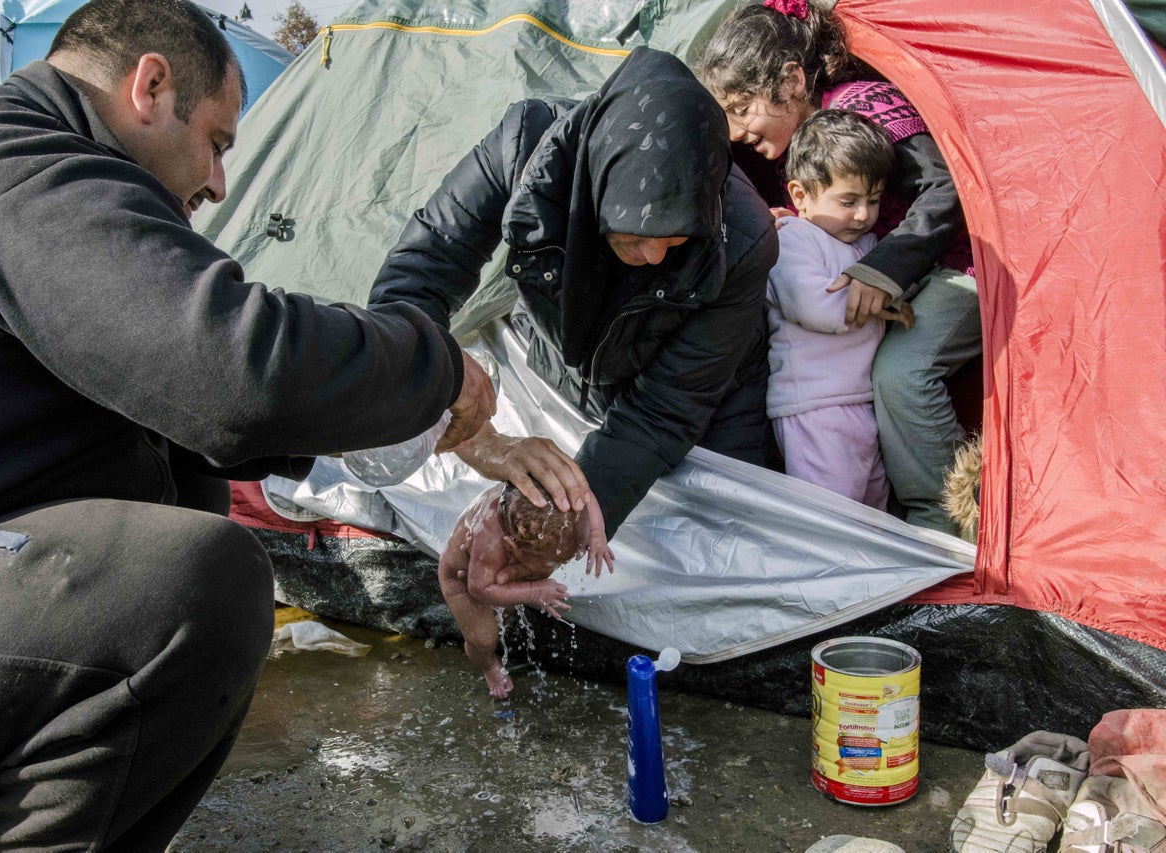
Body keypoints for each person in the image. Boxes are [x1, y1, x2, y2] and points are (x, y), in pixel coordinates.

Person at [0, 0, 496, 848]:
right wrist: (437, 367)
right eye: (216, 141)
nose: (217, 183)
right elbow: (231, 370)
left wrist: (422, 432)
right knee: (191, 586)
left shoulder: (17, 162)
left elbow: (203, 412)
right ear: (150, 86)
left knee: (183, 482)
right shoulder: (12, 166)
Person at [369, 47, 780, 540]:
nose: (652, 256)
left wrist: (565, 522)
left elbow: (664, 412)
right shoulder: (524, 148)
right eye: (631, 236)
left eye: (676, 239)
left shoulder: (744, 239)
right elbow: (426, 263)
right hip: (561, 367)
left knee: (724, 541)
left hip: (707, 402)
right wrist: (428, 387)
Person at [698, 0, 981, 535]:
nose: (735, 131)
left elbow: (946, 187)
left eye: (741, 108)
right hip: (904, 283)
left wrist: (883, 270)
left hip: (957, 262)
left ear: (792, 81)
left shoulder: (861, 106)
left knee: (902, 372)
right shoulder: (791, 151)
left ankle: (948, 520)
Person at [766, 109, 901, 509]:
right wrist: (881, 304)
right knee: (832, 518)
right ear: (801, 196)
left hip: (859, 400)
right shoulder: (792, 240)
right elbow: (813, 307)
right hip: (814, 406)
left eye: (873, 200)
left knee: (874, 508)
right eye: (848, 201)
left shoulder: (864, 246)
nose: (863, 214)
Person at [438, 482, 614, 698]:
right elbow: (479, 588)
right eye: (553, 562)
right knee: (484, 638)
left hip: (493, 575)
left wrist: (596, 532)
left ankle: (507, 602)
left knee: (503, 613)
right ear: (514, 547)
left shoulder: (557, 492)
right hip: (463, 583)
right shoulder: (490, 540)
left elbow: (586, 494)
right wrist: (533, 590)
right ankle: (488, 664)